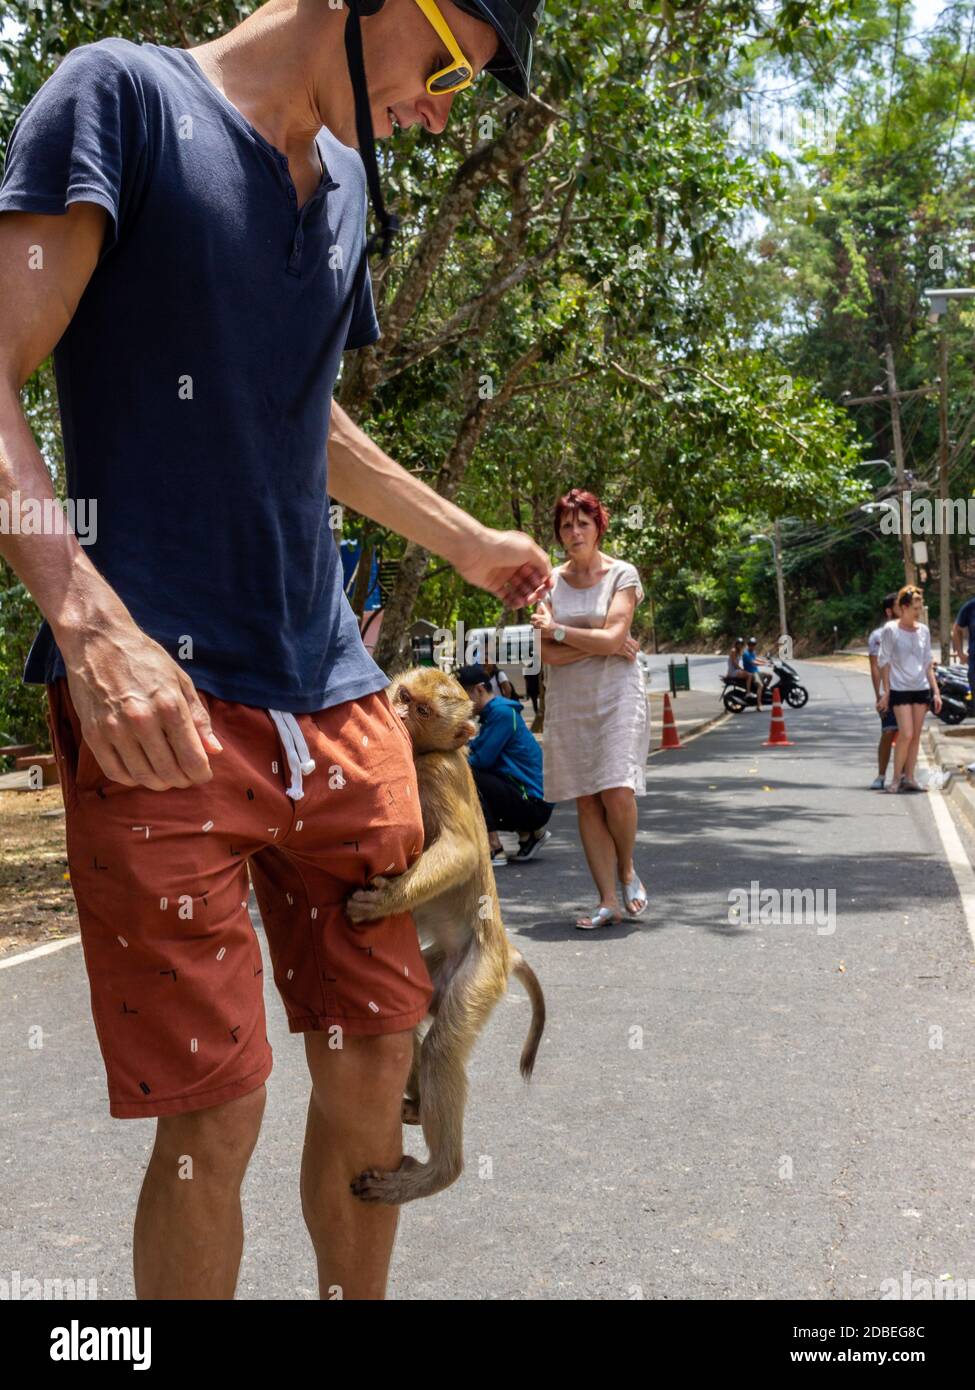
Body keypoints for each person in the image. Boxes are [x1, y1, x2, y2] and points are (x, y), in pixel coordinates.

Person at [0, 0, 549, 1302]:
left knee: (374, 1063)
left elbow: (305, 417)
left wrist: (461, 536)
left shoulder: (351, 181)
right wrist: (86, 621)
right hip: (162, 702)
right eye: (448, 63)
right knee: (218, 1110)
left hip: (339, 701)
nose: (441, 105)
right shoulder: (117, 103)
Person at [531, 488, 649, 930]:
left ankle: (626, 868)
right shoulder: (549, 582)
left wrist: (561, 630)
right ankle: (606, 901)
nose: (574, 531)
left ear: (599, 527)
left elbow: (615, 636)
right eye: (566, 525)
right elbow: (545, 655)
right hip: (569, 696)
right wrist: (599, 642)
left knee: (616, 789)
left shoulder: (623, 574)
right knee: (586, 799)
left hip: (617, 692)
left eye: (583, 523)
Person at [456, 664, 553, 865]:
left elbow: (481, 760)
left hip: (534, 804)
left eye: (463, 697)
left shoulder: (501, 714)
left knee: (468, 774)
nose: (460, 704)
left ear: (479, 689)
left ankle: (495, 847)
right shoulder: (494, 714)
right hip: (530, 799)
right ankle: (529, 834)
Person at [878, 585, 942, 792]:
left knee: (915, 735)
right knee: (905, 733)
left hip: (920, 687)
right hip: (900, 689)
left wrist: (936, 692)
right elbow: (884, 661)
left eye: (920, 607)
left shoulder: (923, 630)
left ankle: (910, 777)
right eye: (915, 607)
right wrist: (886, 692)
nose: (918, 611)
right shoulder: (891, 630)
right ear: (904, 607)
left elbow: (927, 663)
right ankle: (896, 779)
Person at [868, 592, 899, 790]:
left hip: (909, 689)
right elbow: (874, 666)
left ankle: (904, 775)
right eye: (898, 605)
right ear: (889, 611)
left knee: (907, 734)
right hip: (888, 692)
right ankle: (881, 775)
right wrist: (879, 694)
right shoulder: (877, 636)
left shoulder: (914, 630)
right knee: (888, 732)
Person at [741, 637, 772, 711]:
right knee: (760, 685)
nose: (753, 646)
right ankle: (759, 704)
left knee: (770, 675)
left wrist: (765, 661)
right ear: (748, 645)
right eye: (751, 644)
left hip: (756, 672)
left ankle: (764, 690)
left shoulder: (753, 652)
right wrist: (765, 664)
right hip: (751, 673)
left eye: (754, 644)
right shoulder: (746, 654)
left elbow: (756, 658)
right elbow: (753, 662)